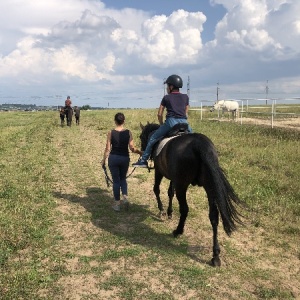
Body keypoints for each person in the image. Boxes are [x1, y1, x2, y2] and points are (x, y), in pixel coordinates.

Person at [132, 74, 192, 168]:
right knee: (193, 138)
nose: (167, 88)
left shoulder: (166, 98)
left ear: (171, 87)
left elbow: (159, 114)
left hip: (171, 122)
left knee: (152, 139)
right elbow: (186, 112)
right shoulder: (185, 97)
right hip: (185, 123)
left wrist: (161, 124)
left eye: (168, 86)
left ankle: (143, 160)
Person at [101, 112, 142, 212]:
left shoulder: (111, 132)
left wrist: (103, 160)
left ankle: (117, 204)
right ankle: (125, 197)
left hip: (113, 158)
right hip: (124, 158)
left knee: (116, 181)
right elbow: (132, 148)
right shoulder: (128, 132)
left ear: (115, 121)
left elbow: (107, 149)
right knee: (123, 178)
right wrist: (141, 152)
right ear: (124, 121)